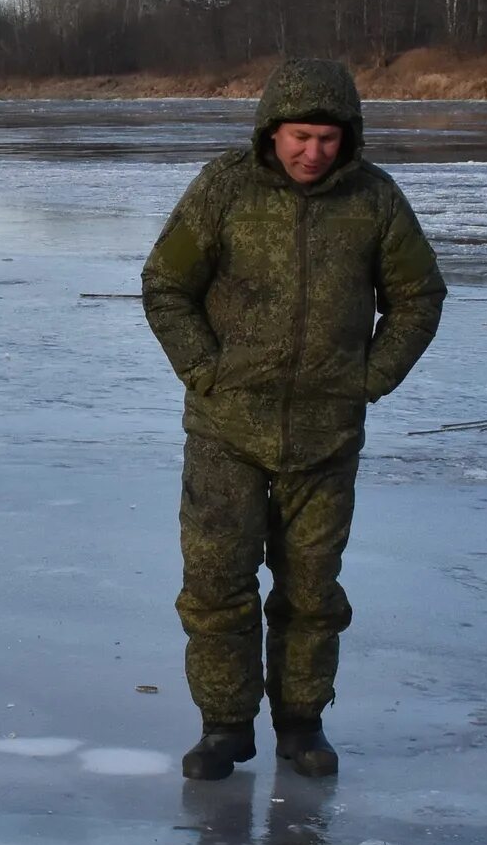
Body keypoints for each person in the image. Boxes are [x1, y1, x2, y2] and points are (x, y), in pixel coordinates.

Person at [141, 59, 446, 781]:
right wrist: (205, 372)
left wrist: (372, 378)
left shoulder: (374, 201)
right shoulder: (224, 189)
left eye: (329, 139)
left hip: (326, 437)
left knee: (312, 592)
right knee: (217, 584)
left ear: (350, 139)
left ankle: (302, 727)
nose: (313, 152)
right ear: (270, 132)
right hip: (226, 432)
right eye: (300, 136)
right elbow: (166, 285)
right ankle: (224, 727)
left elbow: (419, 295)